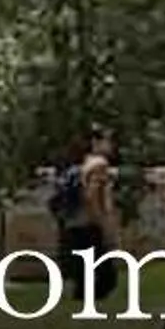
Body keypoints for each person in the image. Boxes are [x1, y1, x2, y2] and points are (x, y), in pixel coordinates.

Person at [56, 126, 116, 306]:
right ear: (96, 143)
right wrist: (101, 220)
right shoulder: (99, 165)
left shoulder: (83, 164)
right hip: (89, 221)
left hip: (74, 221)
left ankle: (82, 296)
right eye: (107, 141)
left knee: (83, 266)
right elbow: (92, 195)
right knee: (102, 269)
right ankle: (91, 298)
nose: (111, 145)